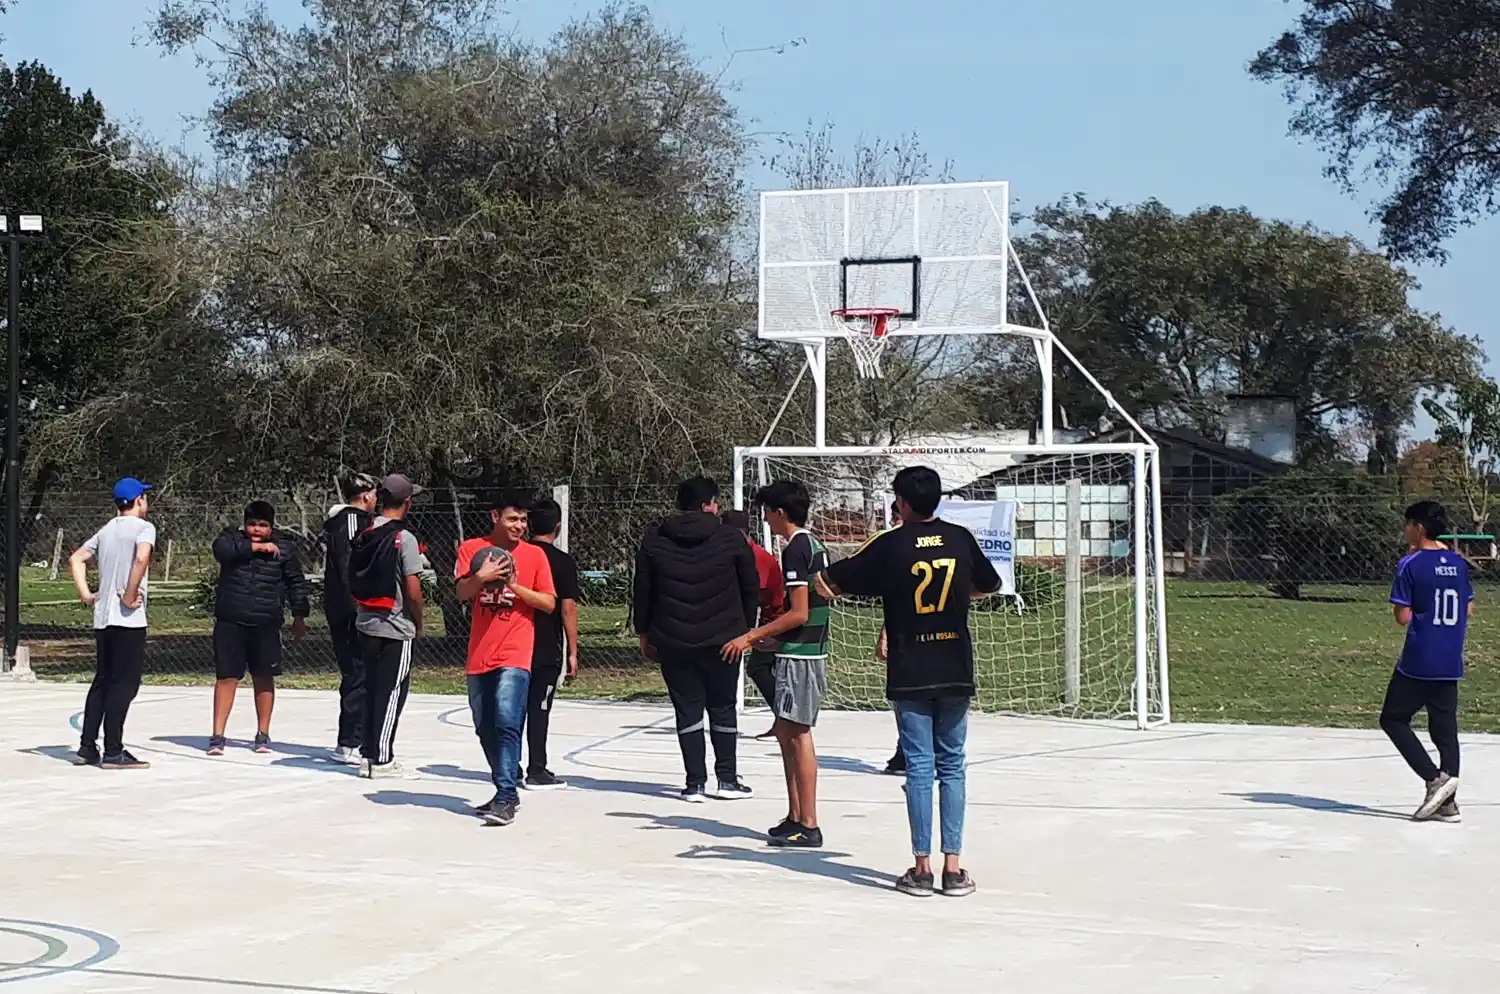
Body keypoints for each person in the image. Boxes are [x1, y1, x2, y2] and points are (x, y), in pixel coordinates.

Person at [815, 465, 1001, 898]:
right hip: (955, 664)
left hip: (910, 665)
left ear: (900, 502)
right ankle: (954, 868)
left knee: (919, 766)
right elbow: (987, 585)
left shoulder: (890, 545)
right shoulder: (960, 539)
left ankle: (921, 868)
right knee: (952, 764)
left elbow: (827, 585)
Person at [634, 476, 759, 801]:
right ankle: (727, 779)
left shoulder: (655, 540)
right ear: (708, 505)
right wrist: (746, 629)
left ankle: (695, 783)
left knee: (687, 708)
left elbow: (642, 590)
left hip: (673, 639)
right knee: (722, 706)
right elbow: (750, 587)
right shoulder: (731, 538)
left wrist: (644, 631)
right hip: (725, 638)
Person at [724, 480, 829, 848]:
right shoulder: (810, 544)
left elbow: (799, 612)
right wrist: (778, 640)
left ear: (780, 513)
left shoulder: (796, 549)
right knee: (786, 734)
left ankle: (809, 823)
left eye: (767, 513)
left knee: (798, 736)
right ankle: (795, 814)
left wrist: (751, 637)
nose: (765, 521)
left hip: (803, 658)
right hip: (795, 650)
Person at [454, 491, 556, 825]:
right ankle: (503, 786)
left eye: (524, 520)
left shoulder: (535, 556)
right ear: (495, 517)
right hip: (480, 653)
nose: (520, 526)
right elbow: (461, 593)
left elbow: (549, 603)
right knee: (484, 726)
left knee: (508, 721)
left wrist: (515, 587)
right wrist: (481, 577)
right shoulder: (471, 549)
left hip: (516, 650)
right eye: (513, 519)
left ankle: (506, 795)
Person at [1381, 499, 1473, 823]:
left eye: (1407, 524)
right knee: (1445, 730)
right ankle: (1448, 805)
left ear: (1418, 528)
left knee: (1392, 719)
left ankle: (1435, 780)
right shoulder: (1459, 563)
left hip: (1420, 658)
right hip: (1450, 657)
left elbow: (1403, 617)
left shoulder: (1411, 564)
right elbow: (1468, 608)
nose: (1405, 530)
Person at [206, 501, 310, 755]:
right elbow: (221, 551)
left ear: (272, 526)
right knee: (227, 676)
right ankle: (218, 736)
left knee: (264, 677)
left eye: (263, 526)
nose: (256, 529)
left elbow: (295, 582)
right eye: (252, 524)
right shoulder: (231, 540)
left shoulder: (284, 548)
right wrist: (257, 547)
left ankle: (262, 734)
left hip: (266, 622)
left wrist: (299, 615)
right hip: (231, 619)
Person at [67, 478, 157, 770]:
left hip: (103, 617)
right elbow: (142, 558)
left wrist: (86, 594)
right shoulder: (144, 528)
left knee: (103, 680)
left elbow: (76, 558)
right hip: (127, 619)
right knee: (125, 683)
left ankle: (87, 746)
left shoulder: (107, 530)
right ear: (138, 500)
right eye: (144, 496)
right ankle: (114, 750)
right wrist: (131, 594)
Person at [350, 474, 427, 779]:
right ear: (407, 502)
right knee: (392, 691)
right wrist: (418, 623)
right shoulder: (403, 538)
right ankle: (382, 759)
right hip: (396, 625)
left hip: (366, 621)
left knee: (370, 689)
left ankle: (367, 754)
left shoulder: (365, 530)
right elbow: (412, 587)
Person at [522, 497, 579, 790]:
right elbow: (567, 608)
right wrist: (573, 651)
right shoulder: (562, 562)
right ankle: (537, 768)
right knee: (539, 708)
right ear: (558, 527)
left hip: (515, 644)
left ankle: (510, 765)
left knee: (512, 708)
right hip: (545, 648)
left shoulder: (516, 556)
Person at [323, 471, 377, 764]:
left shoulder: (344, 521)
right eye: (375, 494)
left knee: (358, 672)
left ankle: (353, 739)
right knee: (359, 672)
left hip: (344, 605)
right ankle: (350, 742)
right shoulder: (353, 521)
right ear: (367, 495)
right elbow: (348, 565)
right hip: (351, 608)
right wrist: (358, 603)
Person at [721, 508, 784, 738]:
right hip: (766, 619)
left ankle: (785, 718)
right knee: (759, 668)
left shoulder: (756, 557)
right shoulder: (745, 553)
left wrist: (750, 633)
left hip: (775, 620)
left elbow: (756, 596)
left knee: (758, 667)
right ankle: (783, 717)